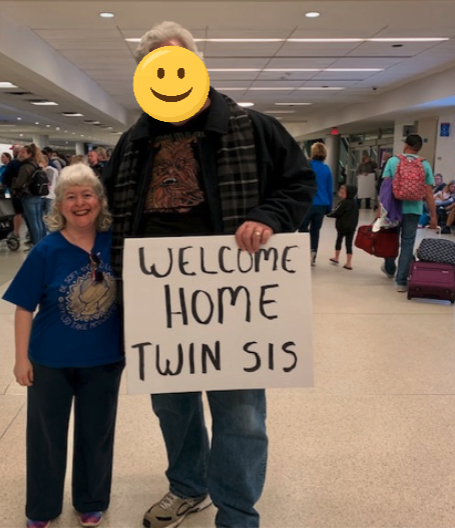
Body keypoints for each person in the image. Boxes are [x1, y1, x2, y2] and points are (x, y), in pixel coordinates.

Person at [102, 20, 316, 528]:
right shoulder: (133, 142)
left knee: (240, 413)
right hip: (157, 300)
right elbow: (111, 208)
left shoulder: (252, 126)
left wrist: (268, 217)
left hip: (233, 297)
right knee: (171, 407)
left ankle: (238, 513)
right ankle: (188, 487)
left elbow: (299, 183)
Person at [2, 164, 123, 528]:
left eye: (88, 195)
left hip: (103, 359)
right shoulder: (46, 250)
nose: (80, 202)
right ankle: (42, 507)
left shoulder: (115, 244)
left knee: (96, 433)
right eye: (71, 196)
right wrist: (21, 359)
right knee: (46, 437)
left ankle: (90, 499)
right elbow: (25, 307)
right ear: (59, 206)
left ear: (100, 202)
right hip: (49, 361)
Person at [380, 134, 437, 292]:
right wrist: (433, 215)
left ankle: (390, 268)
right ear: (419, 148)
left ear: (406, 145)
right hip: (414, 210)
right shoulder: (424, 164)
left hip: (394, 208)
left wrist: (380, 210)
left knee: (391, 240)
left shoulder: (393, 161)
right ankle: (401, 282)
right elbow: (428, 193)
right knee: (407, 244)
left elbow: (385, 188)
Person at [299, 142, 334, 266]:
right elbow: (329, 189)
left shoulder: (305, 167)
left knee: (302, 228)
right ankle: (313, 253)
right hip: (321, 204)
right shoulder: (326, 169)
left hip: (307, 203)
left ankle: (303, 252)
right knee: (315, 230)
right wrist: (329, 207)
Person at [13, 144, 47, 245]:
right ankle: (42, 242)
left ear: (29, 154)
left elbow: (19, 184)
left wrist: (14, 185)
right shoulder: (36, 164)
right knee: (39, 221)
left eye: (23, 152)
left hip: (28, 197)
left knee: (33, 222)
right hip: (37, 196)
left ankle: (37, 245)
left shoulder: (25, 167)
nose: (20, 154)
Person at [327, 184, 359, 270]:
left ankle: (336, 257)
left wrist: (328, 214)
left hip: (342, 226)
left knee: (339, 240)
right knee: (349, 244)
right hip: (351, 227)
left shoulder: (343, 203)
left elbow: (337, 213)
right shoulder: (355, 202)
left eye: (342, 193)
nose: (340, 194)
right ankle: (349, 263)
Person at [2, 145, 25, 241]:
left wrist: (6, 185)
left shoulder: (13, 164)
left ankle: (16, 232)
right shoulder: (28, 163)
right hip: (28, 192)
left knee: (17, 212)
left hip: (15, 191)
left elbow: (5, 178)